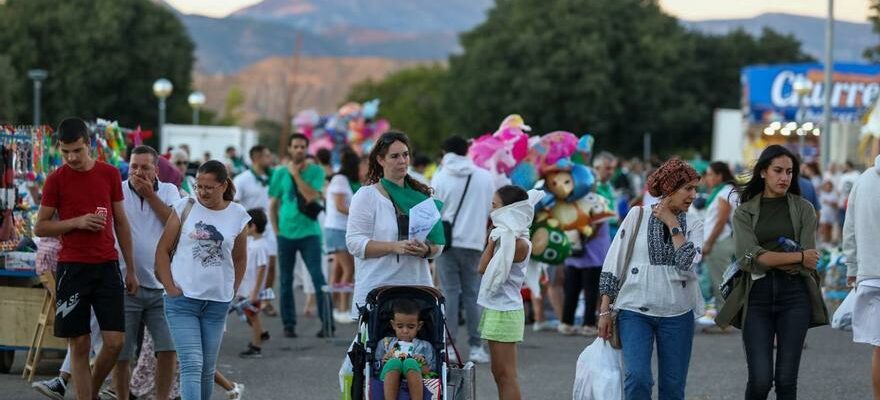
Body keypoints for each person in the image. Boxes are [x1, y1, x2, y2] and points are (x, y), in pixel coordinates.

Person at [34, 117, 137, 400]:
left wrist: (132, 269)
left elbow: (121, 222)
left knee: (115, 343)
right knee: (79, 343)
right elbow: (40, 226)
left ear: (89, 144)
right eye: (65, 151)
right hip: (72, 268)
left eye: (77, 150)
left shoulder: (110, 174)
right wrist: (75, 222)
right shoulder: (56, 179)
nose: (71, 157)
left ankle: (88, 390)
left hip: (107, 265)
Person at [716, 145, 828, 400]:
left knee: (787, 381)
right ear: (763, 172)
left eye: (789, 172)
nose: (784, 177)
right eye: (778, 170)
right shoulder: (745, 211)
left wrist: (767, 257)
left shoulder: (804, 208)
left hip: (795, 296)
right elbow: (748, 259)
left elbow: (809, 262)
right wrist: (796, 256)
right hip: (757, 296)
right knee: (760, 380)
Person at [597, 159, 704, 400]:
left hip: (678, 312)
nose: (693, 195)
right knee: (637, 378)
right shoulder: (637, 215)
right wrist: (604, 311)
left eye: (695, 189)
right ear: (670, 188)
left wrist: (672, 223)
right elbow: (614, 261)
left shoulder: (695, 223)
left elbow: (687, 261)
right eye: (688, 188)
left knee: (673, 388)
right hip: (634, 310)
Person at [155, 160, 250, 400]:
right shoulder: (184, 206)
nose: (202, 192)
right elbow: (163, 250)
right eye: (198, 186)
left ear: (223, 185)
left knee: (207, 370)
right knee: (192, 364)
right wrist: (169, 286)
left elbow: (240, 259)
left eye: (208, 187)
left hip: (217, 303)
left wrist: (231, 290)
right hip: (182, 300)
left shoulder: (238, 215)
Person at [346, 131, 444, 319]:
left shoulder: (421, 196)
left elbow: (438, 245)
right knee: (379, 349)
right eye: (395, 156)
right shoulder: (366, 196)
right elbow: (354, 243)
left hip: (417, 289)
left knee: (418, 349)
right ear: (380, 160)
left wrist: (426, 250)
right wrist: (394, 247)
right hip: (379, 292)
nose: (402, 160)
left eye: (405, 155)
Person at [112, 145, 181, 400]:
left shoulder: (170, 190)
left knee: (168, 349)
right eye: (134, 166)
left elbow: (176, 224)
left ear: (156, 169)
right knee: (122, 353)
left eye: (145, 167)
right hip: (125, 284)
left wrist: (151, 196)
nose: (138, 172)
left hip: (161, 286)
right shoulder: (117, 190)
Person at [431, 136, 494, 363]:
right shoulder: (485, 177)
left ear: (445, 151)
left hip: (446, 243)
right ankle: (477, 347)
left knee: (449, 293)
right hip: (475, 243)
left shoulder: (440, 176)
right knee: (473, 294)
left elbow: (433, 210)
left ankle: (449, 346)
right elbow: (490, 209)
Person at [269, 133, 334, 337]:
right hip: (286, 235)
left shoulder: (316, 171)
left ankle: (327, 324)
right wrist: (277, 231)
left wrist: (296, 175)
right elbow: (273, 204)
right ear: (289, 148)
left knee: (318, 277)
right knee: (285, 281)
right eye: (295, 146)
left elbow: (311, 195)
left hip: (310, 234)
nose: (299, 150)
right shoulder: (279, 173)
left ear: (307, 149)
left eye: (302, 147)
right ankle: (289, 325)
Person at [477, 185, 538, 400]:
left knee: (506, 375)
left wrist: (490, 242)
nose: (492, 212)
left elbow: (483, 268)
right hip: (498, 308)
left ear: (509, 210)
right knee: (498, 373)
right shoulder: (509, 238)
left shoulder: (517, 242)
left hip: (506, 311)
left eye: (495, 206)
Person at [842, 154, 880, 400]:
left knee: (879, 348)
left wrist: (852, 268)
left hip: (870, 276)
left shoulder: (863, 180)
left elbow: (850, 228)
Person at [233, 145, 279, 317]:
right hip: (251, 229)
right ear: (256, 158)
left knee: (271, 264)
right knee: (253, 266)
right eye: (267, 156)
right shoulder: (242, 179)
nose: (270, 159)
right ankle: (247, 297)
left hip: (268, 226)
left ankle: (265, 300)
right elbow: (235, 202)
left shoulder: (273, 176)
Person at [325, 148, 362, 323]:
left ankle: (332, 307)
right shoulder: (340, 179)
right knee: (349, 269)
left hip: (342, 229)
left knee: (339, 270)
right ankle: (342, 309)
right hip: (337, 229)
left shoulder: (348, 180)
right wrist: (360, 214)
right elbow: (340, 205)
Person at [699, 161, 738, 325]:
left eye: (710, 174)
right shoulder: (721, 192)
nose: (707, 178)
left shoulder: (724, 193)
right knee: (717, 282)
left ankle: (725, 321)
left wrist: (708, 243)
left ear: (719, 175)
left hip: (720, 242)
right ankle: (724, 319)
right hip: (720, 241)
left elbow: (721, 221)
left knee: (720, 283)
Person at [375, 299, 435, 400]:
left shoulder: (425, 346)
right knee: (394, 362)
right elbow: (373, 368)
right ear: (393, 325)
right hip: (388, 376)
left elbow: (433, 372)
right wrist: (383, 360)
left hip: (417, 377)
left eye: (411, 327)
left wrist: (424, 364)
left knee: (410, 362)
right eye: (400, 326)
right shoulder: (385, 343)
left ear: (419, 326)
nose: (405, 331)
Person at [559, 220, 611, 336]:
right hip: (594, 257)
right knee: (590, 293)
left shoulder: (572, 206)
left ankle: (567, 323)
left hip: (575, 254)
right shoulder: (599, 207)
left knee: (572, 291)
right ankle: (589, 324)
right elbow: (594, 231)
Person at [237, 208, 271, 358]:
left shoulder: (260, 246)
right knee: (249, 315)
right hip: (246, 288)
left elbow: (262, 268)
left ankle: (256, 346)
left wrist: (256, 291)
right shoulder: (252, 242)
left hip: (252, 290)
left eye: (246, 225)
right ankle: (262, 333)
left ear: (253, 227)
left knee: (253, 316)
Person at [818, 179, 838, 244]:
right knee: (824, 227)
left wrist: (829, 202)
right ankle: (823, 241)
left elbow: (836, 205)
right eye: (826, 186)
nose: (827, 187)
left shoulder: (834, 194)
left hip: (831, 215)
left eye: (829, 186)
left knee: (829, 228)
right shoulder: (822, 193)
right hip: (823, 214)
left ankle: (828, 242)